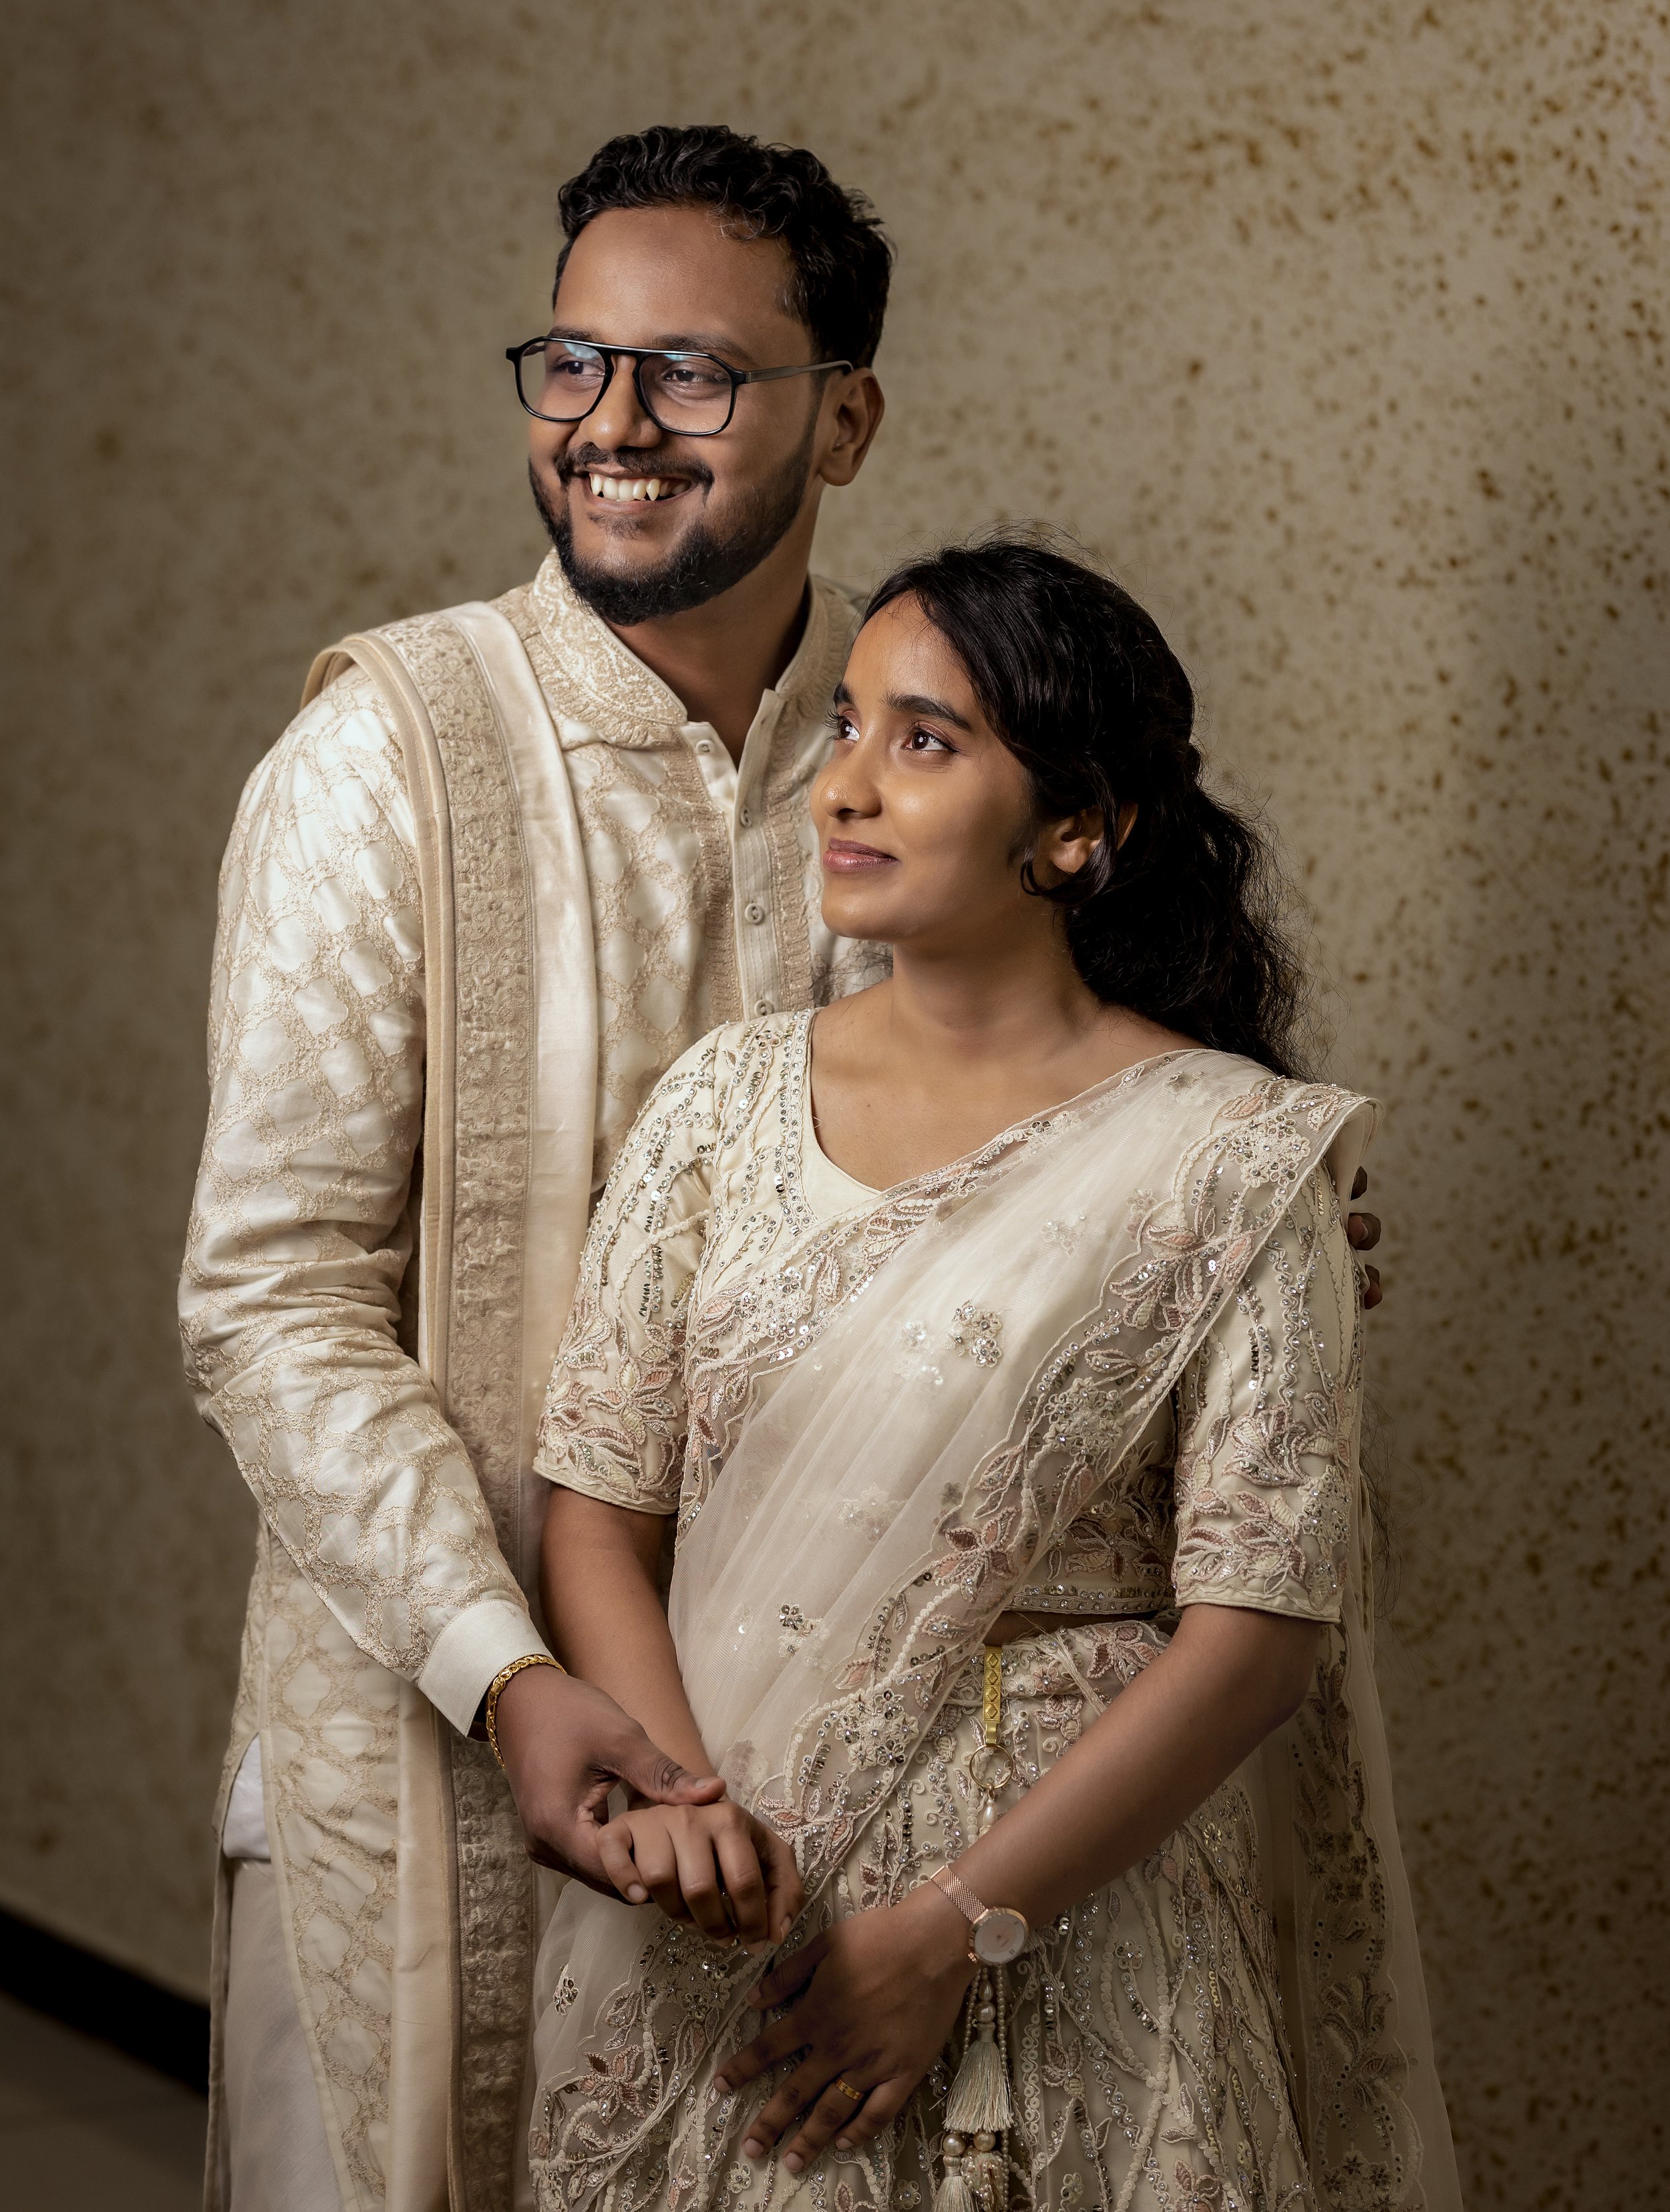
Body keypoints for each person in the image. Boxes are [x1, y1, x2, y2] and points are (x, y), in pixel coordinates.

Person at [179, 127, 1383, 2212]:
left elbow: (1074, 1148)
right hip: (435, 1706)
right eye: (569, 366)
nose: (612, 428)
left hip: (861, 1802)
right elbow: (266, 1300)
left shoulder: (911, 748)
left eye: (691, 376)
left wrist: (1206, 1229)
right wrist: (517, 1671)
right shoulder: (386, 760)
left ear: (845, 415)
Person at [526, 534, 1456, 2211]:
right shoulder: (719, 1107)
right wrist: (684, 1822)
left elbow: (1257, 1629)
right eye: (847, 728)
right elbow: (596, 1505)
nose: (845, 788)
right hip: (731, 1900)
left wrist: (958, 1929)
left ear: (1077, 827)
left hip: (1083, 1920)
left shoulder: (1227, 1155)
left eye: (925, 741)